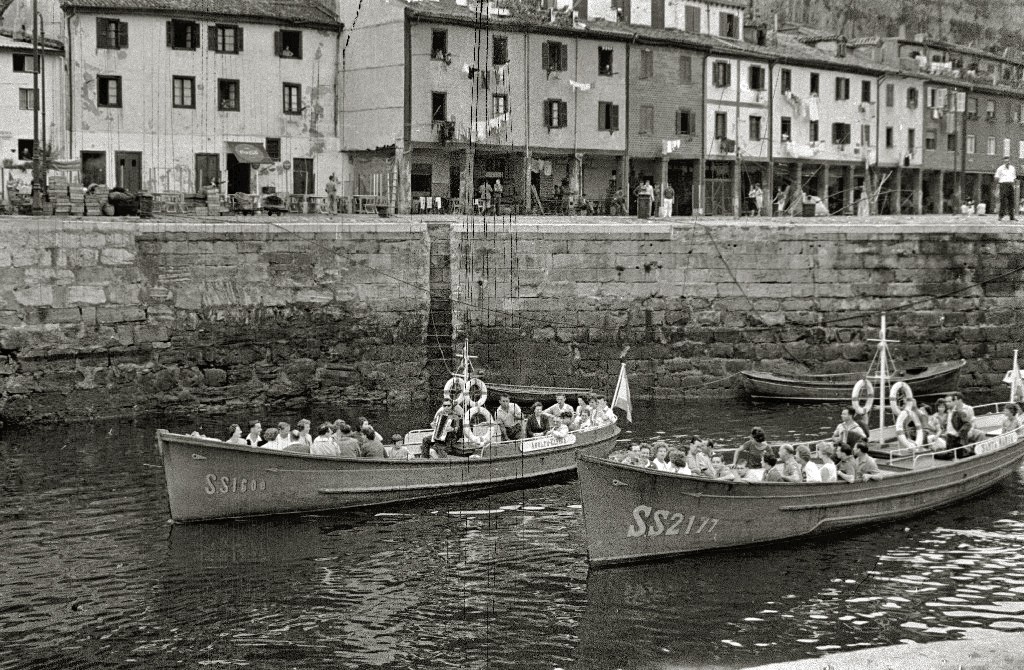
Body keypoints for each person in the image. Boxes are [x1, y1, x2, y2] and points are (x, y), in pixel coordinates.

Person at [995, 156, 1017, 221]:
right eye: (1006, 161)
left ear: (1010, 161)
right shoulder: (1000, 168)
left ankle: (1012, 216)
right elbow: (996, 178)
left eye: (1008, 161)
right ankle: (1001, 216)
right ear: (1004, 162)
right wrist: (997, 186)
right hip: (1003, 184)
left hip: (1010, 184)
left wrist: (1014, 186)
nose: (1007, 162)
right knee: (1003, 201)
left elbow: (1014, 178)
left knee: (1011, 201)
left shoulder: (1012, 168)